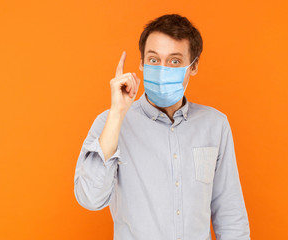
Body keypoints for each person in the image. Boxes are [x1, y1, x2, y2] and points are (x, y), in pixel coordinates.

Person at [74, 13, 251, 240]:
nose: (162, 69)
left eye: (174, 61)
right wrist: (117, 114)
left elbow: (229, 212)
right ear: (141, 63)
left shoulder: (215, 125)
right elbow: (90, 198)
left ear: (193, 66)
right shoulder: (111, 122)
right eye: (154, 59)